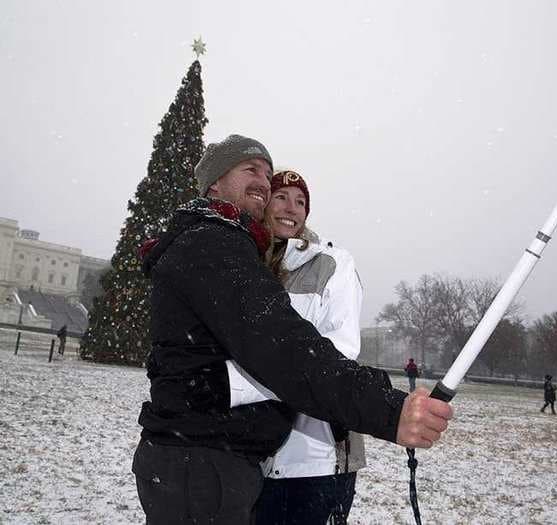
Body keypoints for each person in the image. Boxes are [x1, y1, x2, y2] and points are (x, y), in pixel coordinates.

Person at [131, 135, 453, 524]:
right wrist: (389, 410)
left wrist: (225, 384)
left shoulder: (285, 255)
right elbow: (283, 348)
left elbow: (315, 348)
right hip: (203, 463)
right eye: (252, 170)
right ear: (214, 182)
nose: (265, 184)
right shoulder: (215, 244)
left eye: (269, 175)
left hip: (237, 460)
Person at [222, 169, 366, 524]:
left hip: (315, 458)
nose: (292, 208)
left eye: (301, 202)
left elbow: (339, 352)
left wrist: (233, 385)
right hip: (247, 455)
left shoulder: (333, 264)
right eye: (282, 196)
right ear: (264, 202)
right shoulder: (244, 263)